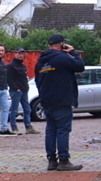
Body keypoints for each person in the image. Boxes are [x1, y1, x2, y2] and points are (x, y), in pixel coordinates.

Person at [35, 33, 85, 171]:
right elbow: (80, 66)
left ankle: (51, 161)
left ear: (49, 45)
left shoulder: (40, 61)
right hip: (62, 100)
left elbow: (37, 81)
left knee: (51, 130)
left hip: (46, 101)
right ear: (62, 44)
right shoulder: (62, 58)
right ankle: (64, 160)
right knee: (63, 130)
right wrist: (73, 52)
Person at [7, 47, 38, 135]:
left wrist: (26, 87)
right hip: (16, 91)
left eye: (22, 53)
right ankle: (14, 127)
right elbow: (9, 79)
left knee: (27, 109)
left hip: (24, 90)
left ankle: (28, 127)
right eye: (19, 53)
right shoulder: (10, 66)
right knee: (14, 109)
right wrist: (16, 88)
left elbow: (24, 78)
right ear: (15, 53)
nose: (21, 55)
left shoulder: (23, 66)